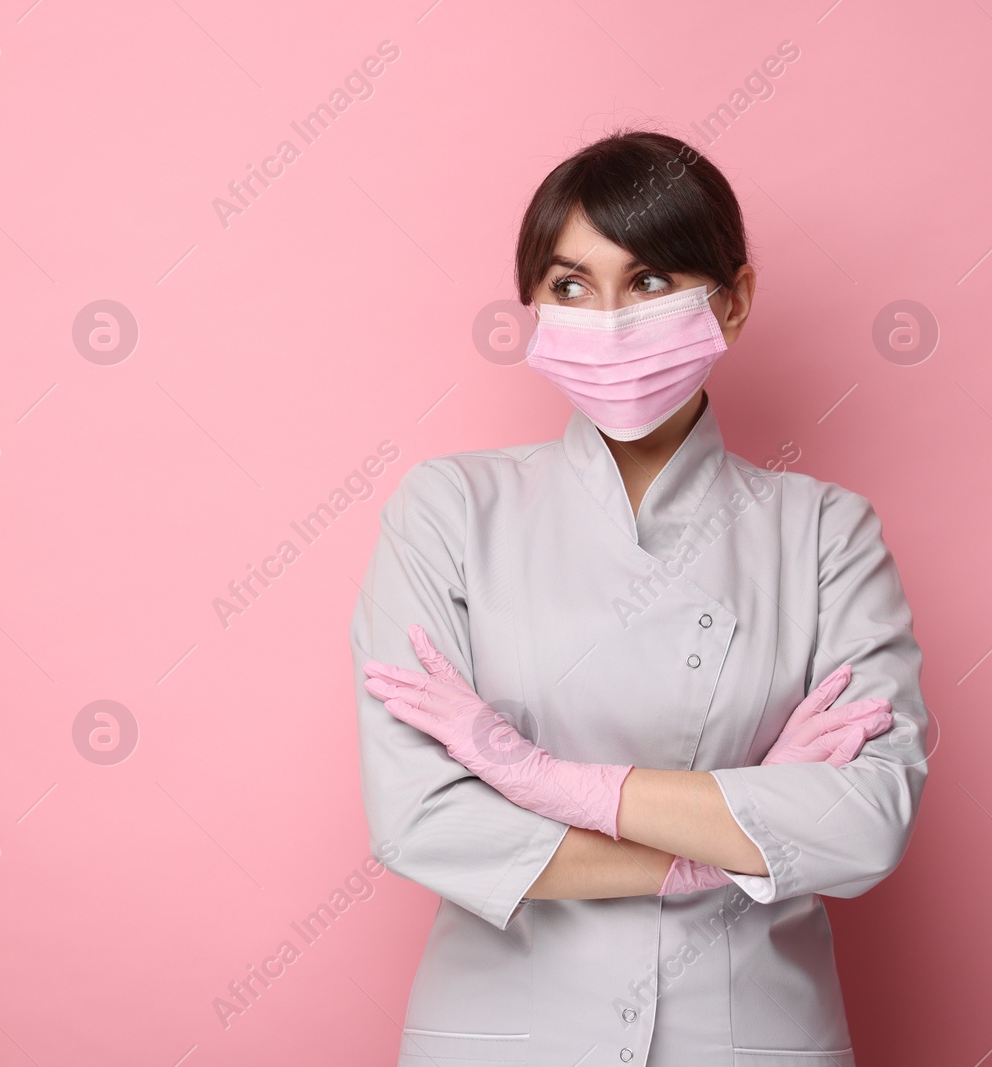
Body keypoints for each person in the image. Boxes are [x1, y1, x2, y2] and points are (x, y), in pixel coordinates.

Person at [351, 130, 929, 1067]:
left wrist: (546, 782)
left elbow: (864, 825)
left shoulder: (827, 533)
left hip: (750, 1038)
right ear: (534, 307)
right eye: (571, 286)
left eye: (651, 280)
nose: (609, 319)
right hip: (504, 1037)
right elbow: (423, 819)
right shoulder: (449, 509)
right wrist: (731, 844)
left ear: (732, 302)